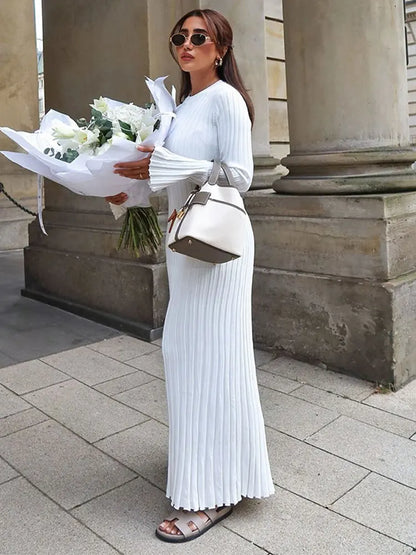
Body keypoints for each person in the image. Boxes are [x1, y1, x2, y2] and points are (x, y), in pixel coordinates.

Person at [107, 8, 275, 544]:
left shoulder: (225, 99)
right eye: (180, 37)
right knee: (185, 354)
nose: (187, 44)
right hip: (185, 244)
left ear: (221, 48)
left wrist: (168, 164)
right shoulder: (178, 107)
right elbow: (170, 178)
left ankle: (214, 495)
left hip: (219, 247)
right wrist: (124, 189)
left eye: (199, 37)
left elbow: (240, 176)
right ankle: (210, 467)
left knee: (212, 357)